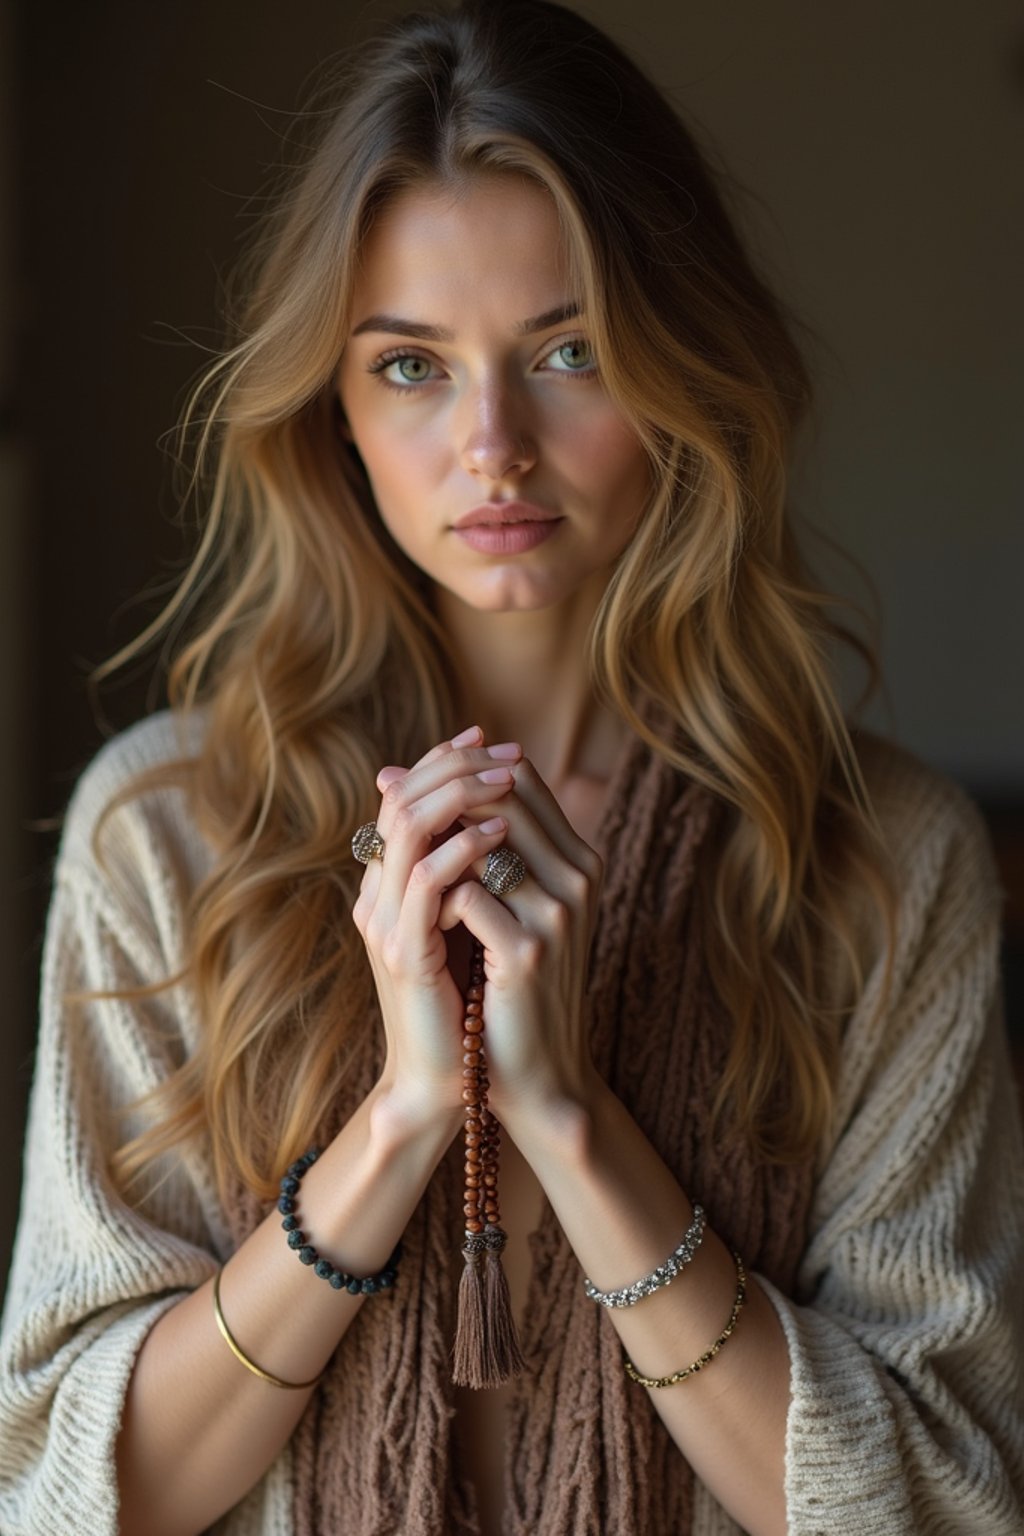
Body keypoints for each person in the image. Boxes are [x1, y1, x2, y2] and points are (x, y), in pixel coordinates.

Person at [2, 1, 1022, 1532]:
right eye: (410, 365)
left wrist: (567, 1117)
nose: (494, 444)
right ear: (334, 412)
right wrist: (406, 1118)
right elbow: (59, 1489)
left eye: (569, 350)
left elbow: (944, 1501)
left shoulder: (883, 864)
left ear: (683, 372)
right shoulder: (170, 831)